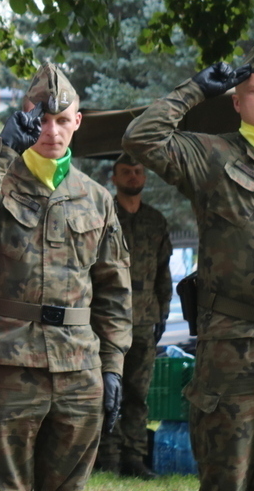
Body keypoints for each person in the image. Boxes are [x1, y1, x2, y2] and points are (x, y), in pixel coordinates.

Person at [122, 45, 254, 490]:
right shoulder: (212, 156)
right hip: (234, 347)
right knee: (225, 479)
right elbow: (141, 139)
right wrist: (194, 90)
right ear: (237, 102)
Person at [0, 64, 132, 491]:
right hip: (6, 367)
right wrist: (1, 151)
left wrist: (112, 367)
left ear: (78, 121)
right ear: (25, 115)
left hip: (78, 370)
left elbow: (113, 290)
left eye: (62, 120)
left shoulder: (96, 198)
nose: (51, 131)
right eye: (42, 118)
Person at [95, 153, 172, 479]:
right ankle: (107, 458)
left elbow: (163, 272)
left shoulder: (155, 220)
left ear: (144, 178)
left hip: (144, 320)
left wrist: (162, 314)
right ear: (114, 178)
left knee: (138, 395)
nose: (132, 176)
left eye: (138, 172)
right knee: (107, 392)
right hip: (107, 322)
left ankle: (134, 458)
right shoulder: (102, 214)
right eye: (125, 172)